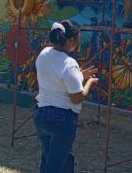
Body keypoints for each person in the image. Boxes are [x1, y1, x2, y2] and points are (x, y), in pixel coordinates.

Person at [34, 20, 98, 173]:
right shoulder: (69, 63)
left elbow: (57, 78)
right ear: (71, 40)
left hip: (42, 115)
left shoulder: (44, 54)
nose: (79, 41)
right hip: (62, 119)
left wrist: (79, 76)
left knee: (58, 158)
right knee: (54, 166)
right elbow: (76, 97)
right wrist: (89, 82)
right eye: (78, 38)